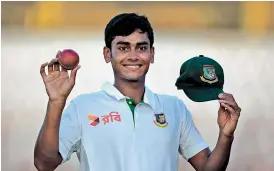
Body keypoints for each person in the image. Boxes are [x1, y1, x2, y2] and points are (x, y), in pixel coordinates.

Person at [34, 13, 241, 171]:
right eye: (123, 48)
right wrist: (56, 101)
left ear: (152, 54)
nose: (133, 56)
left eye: (141, 48)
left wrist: (225, 135)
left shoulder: (174, 108)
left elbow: (207, 168)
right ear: (107, 54)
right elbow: (44, 163)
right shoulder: (82, 107)